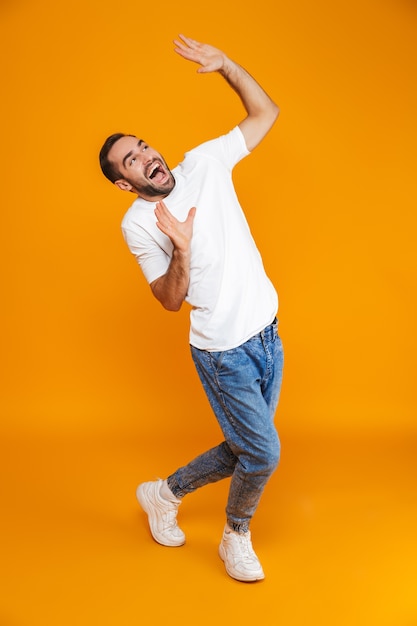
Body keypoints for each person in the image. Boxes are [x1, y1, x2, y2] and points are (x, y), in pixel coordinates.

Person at [99, 34, 284, 582]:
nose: (146, 157)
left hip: (268, 332)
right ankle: (236, 534)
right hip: (223, 351)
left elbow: (265, 111)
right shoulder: (138, 224)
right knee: (263, 454)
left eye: (144, 147)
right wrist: (180, 245)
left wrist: (227, 65)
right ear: (122, 182)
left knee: (247, 447)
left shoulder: (205, 162)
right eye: (130, 161)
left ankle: (163, 493)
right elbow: (169, 301)